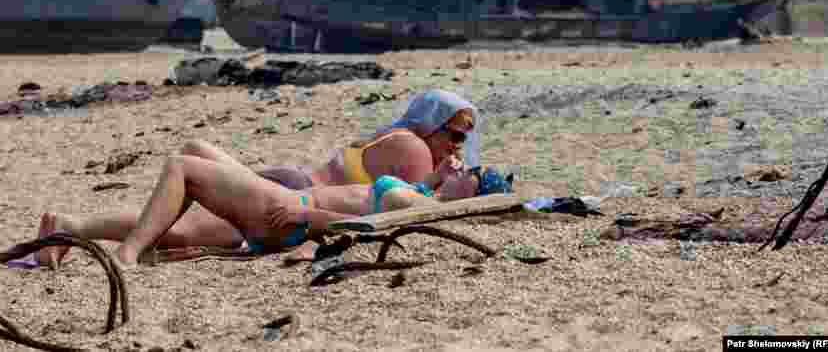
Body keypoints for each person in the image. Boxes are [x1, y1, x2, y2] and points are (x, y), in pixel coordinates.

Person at [36, 153, 510, 269]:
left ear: (473, 191)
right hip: (285, 219)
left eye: (471, 169)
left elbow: (374, 224)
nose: (460, 163)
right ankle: (71, 228)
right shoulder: (423, 195)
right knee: (185, 222)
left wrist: (311, 220)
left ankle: (128, 256)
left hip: (289, 211)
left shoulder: (416, 203)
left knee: (183, 166)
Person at [186, 88, 484, 193]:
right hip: (297, 195)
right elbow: (418, 206)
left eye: (464, 138)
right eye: (455, 135)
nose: (459, 145)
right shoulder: (415, 149)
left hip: (295, 181)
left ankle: (194, 156)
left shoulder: (394, 134)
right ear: (432, 125)